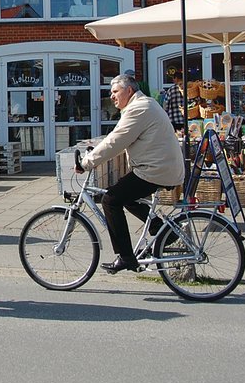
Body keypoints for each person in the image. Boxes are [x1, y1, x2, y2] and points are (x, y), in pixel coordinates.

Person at [75, 74, 184, 273]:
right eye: (111, 93)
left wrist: (87, 163)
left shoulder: (139, 108)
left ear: (129, 91)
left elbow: (116, 141)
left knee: (110, 199)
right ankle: (161, 229)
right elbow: (116, 136)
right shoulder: (143, 104)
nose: (112, 96)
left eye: (115, 92)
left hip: (156, 170)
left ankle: (126, 257)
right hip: (159, 167)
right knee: (125, 195)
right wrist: (95, 151)